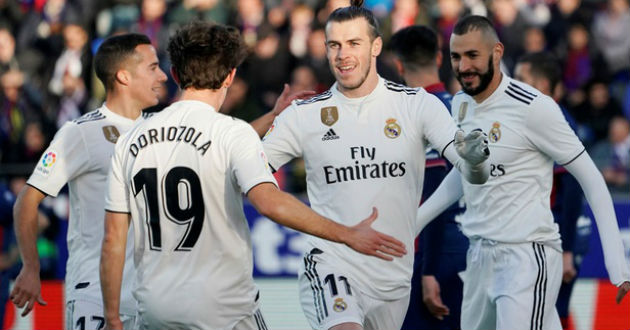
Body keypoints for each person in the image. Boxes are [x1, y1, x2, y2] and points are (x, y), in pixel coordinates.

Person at [99, 21, 406, 330]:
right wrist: (348, 234)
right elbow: (269, 203)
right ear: (231, 75)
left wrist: (112, 317)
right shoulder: (230, 133)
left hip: (154, 310)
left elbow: (113, 237)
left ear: (176, 74)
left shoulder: (130, 141)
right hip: (223, 309)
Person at [261, 1, 491, 329]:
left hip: (393, 278)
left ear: (376, 46)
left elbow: (467, 169)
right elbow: (252, 172)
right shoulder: (304, 114)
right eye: (334, 45)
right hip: (332, 265)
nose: (343, 55)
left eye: (354, 43)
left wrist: (475, 159)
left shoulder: (416, 104)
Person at [415, 15, 630, 330]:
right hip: (477, 257)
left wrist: (617, 263)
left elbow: (591, 180)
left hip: (526, 256)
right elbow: (465, 175)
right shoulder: (460, 104)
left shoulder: (534, 107)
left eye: (472, 55)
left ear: (497, 53)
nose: (463, 66)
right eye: (456, 57)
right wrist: (412, 226)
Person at [10, 33, 167, 329]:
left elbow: (219, 145)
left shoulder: (158, 131)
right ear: (123, 76)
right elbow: (27, 201)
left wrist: (275, 118)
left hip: (149, 300)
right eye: (152, 67)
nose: (161, 76)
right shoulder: (80, 132)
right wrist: (31, 268)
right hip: (93, 295)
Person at [389, 25, 468, 330]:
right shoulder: (464, 109)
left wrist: (429, 270)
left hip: (431, 253)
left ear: (398, 65)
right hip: (470, 248)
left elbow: (433, 190)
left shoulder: (409, 115)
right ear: (439, 58)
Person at [514, 51, 591, 329]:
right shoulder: (540, 119)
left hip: (560, 234)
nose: (514, 84)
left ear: (543, 85)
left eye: (521, 79)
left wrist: (567, 249)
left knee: (548, 312)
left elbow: (571, 189)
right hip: (557, 233)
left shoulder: (556, 122)